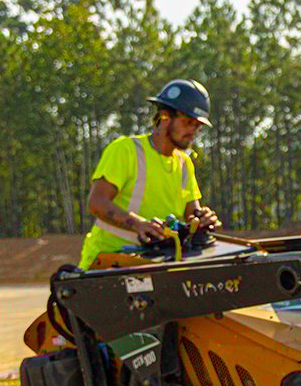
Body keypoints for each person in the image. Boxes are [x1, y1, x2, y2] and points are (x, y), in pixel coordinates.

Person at [77, 79, 222, 269]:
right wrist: (138, 224)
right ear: (164, 116)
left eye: (197, 126)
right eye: (188, 122)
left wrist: (202, 219)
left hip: (158, 265)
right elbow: (96, 203)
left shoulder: (184, 163)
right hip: (108, 262)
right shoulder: (126, 150)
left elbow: (191, 215)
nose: (192, 131)